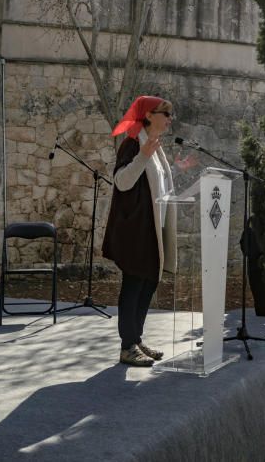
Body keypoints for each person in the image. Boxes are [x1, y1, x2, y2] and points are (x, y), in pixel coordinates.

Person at [101, 95, 178, 367]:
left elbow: (157, 185)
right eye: (165, 114)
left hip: (153, 228)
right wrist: (142, 158)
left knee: (149, 282)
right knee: (134, 283)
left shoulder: (155, 147)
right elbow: (121, 181)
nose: (170, 120)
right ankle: (126, 346)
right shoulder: (133, 144)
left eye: (170, 115)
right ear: (148, 115)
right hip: (136, 230)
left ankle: (136, 338)